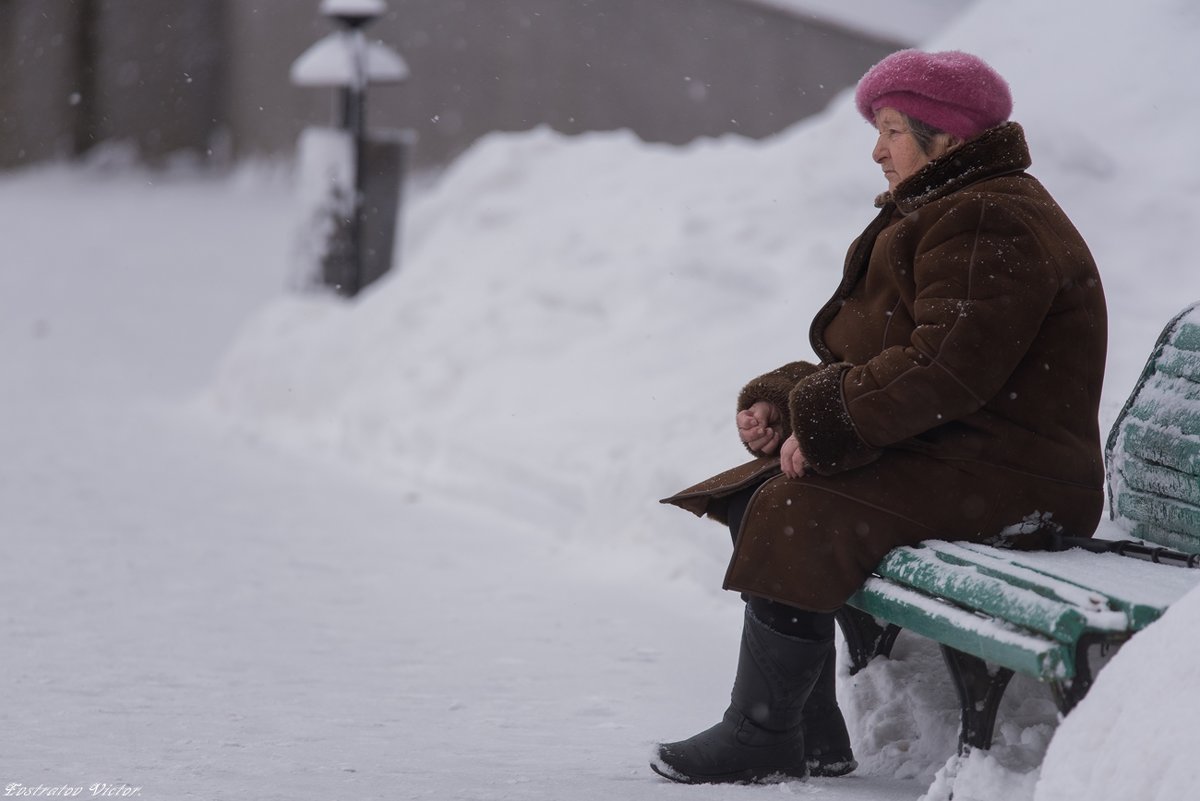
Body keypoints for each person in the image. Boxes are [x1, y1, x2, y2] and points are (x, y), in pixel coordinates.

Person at [650, 49, 1108, 785]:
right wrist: (792, 397)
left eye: (893, 129)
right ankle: (806, 727)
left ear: (948, 138)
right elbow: (897, 355)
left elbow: (942, 367)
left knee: (797, 505)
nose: (877, 148)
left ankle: (763, 732)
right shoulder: (952, 208)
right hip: (967, 451)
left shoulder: (989, 216)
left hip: (1016, 474)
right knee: (755, 493)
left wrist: (827, 421)